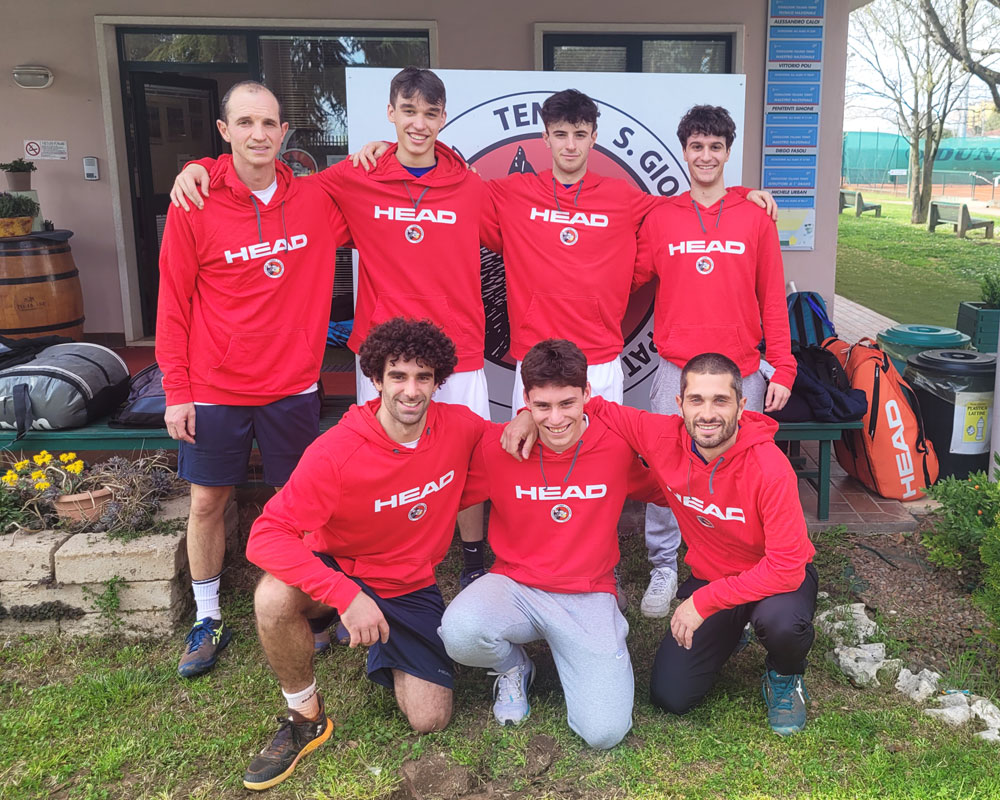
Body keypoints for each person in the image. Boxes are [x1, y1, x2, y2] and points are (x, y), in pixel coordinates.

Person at [169, 67, 493, 586]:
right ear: (390, 114)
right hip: (379, 354)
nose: (419, 123)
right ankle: (375, 564)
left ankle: (473, 561)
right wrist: (198, 165)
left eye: (430, 113)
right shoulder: (352, 180)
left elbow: (524, 233)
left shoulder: (470, 187)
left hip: (457, 350)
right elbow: (260, 173)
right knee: (380, 464)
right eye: (408, 111)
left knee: (466, 458)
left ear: (444, 119)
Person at [352, 89, 777, 410]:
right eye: (560, 135)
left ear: (594, 138)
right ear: (545, 137)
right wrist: (389, 151)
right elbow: (444, 181)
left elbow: (692, 203)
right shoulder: (511, 192)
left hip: (601, 357)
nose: (570, 145)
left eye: (579, 135)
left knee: (602, 455)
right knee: (532, 455)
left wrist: (742, 195)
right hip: (535, 353)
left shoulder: (623, 198)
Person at [506, 352, 816, 736]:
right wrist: (525, 415)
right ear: (679, 404)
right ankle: (734, 629)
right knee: (671, 696)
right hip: (713, 577)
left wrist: (703, 603)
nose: (708, 413)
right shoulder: (659, 435)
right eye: (696, 400)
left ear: (742, 404)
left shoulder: (770, 468)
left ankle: (785, 674)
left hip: (776, 579)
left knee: (782, 624)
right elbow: (591, 405)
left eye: (720, 400)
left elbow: (786, 568)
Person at [241, 318, 487, 790]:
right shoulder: (335, 450)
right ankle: (305, 716)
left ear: (438, 381)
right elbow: (267, 535)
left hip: (407, 581)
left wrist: (526, 422)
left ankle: (378, 637)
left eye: (423, 377)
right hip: (340, 570)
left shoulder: (460, 428)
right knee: (273, 597)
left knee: (429, 719)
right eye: (398, 376)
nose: (411, 390)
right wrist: (346, 595)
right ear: (376, 379)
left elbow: (511, 443)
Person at [156, 80, 349, 679]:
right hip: (215, 387)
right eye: (245, 124)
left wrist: (374, 149)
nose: (259, 135)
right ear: (224, 131)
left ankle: (313, 605)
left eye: (269, 124)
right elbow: (172, 303)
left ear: (284, 133)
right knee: (210, 501)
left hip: (292, 384)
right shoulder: (195, 204)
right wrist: (176, 389)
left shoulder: (317, 199)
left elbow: (387, 187)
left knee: (301, 503)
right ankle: (209, 616)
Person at [440, 339, 664, 749]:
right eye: (541, 406)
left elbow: (668, 489)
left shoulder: (615, 446)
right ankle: (513, 667)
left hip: (587, 592)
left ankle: (596, 643)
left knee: (604, 733)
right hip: (514, 586)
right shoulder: (501, 446)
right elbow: (444, 496)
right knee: (458, 633)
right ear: (525, 400)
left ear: (587, 396)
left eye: (567, 403)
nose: (556, 418)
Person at [634, 105, 796, 620]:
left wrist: (784, 367)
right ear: (683, 152)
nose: (705, 156)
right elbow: (623, 281)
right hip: (673, 370)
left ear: (728, 152)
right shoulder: (660, 217)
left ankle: (738, 572)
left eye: (715, 147)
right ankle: (664, 565)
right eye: (696, 147)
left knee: (737, 477)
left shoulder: (755, 215)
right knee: (667, 470)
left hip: (741, 370)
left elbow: (773, 297)